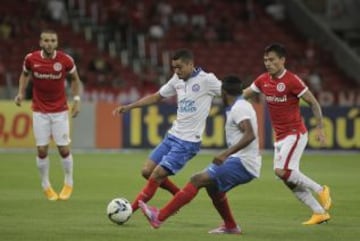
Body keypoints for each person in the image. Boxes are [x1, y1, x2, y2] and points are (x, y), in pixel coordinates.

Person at [138, 75, 262, 234]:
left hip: (243, 162)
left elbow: (249, 134)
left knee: (197, 179)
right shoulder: (241, 105)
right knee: (213, 189)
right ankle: (230, 226)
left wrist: (225, 154)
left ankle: (159, 217)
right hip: (241, 160)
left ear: (224, 92)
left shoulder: (239, 108)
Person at [112, 49, 222, 212]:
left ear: (190, 64)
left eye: (179, 67)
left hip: (188, 142)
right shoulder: (176, 79)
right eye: (173, 68)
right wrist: (129, 107)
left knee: (156, 175)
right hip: (173, 135)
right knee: (147, 171)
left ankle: (128, 211)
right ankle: (179, 195)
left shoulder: (207, 80)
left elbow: (231, 93)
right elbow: (157, 96)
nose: (176, 71)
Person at [242, 43, 331, 225]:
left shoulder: (292, 80)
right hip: (280, 137)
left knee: (282, 171)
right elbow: (244, 94)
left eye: (272, 59)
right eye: (265, 60)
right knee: (288, 179)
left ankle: (321, 189)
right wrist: (221, 93)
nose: (268, 63)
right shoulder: (263, 80)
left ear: (282, 60)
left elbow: (313, 103)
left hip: (295, 133)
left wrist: (320, 128)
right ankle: (319, 212)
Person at [14, 29, 82, 201]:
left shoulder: (65, 60)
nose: (49, 43)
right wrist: (20, 93)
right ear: (41, 42)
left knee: (63, 149)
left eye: (53, 40)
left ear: (56, 43)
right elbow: (24, 74)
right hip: (39, 111)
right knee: (42, 149)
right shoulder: (31, 59)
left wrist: (76, 99)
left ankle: (68, 181)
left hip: (59, 111)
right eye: (46, 40)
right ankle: (45, 184)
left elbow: (75, 78)